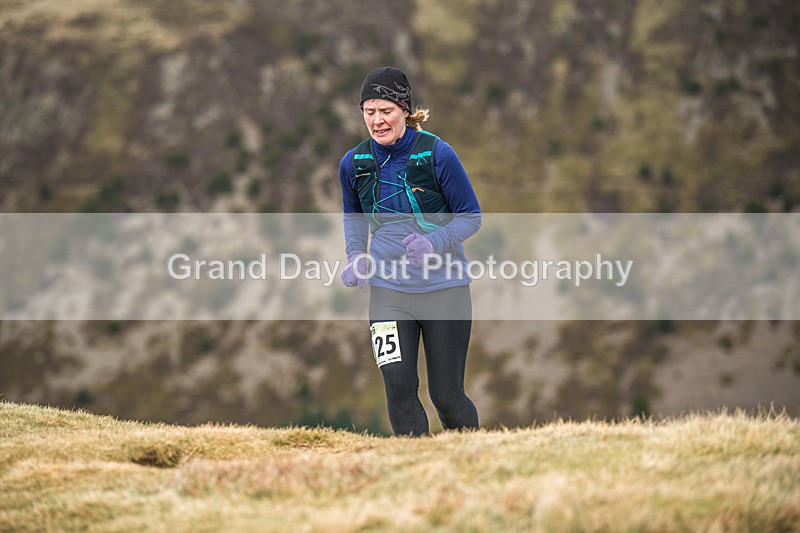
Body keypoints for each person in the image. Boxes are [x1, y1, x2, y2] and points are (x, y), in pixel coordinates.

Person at [337, 66, 481, 436]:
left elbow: (471, 216)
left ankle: (473, 459)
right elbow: (353, 216)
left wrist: (433, 243)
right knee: (399, 390)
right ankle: (415, 465)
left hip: (445, 290)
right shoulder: (353, 164)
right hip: (388, 292)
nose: (377, 120)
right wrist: (355, 255)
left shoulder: (438, 154)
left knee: (447, 396)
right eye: (369, 111)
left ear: (405, 110)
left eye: (386, 111)